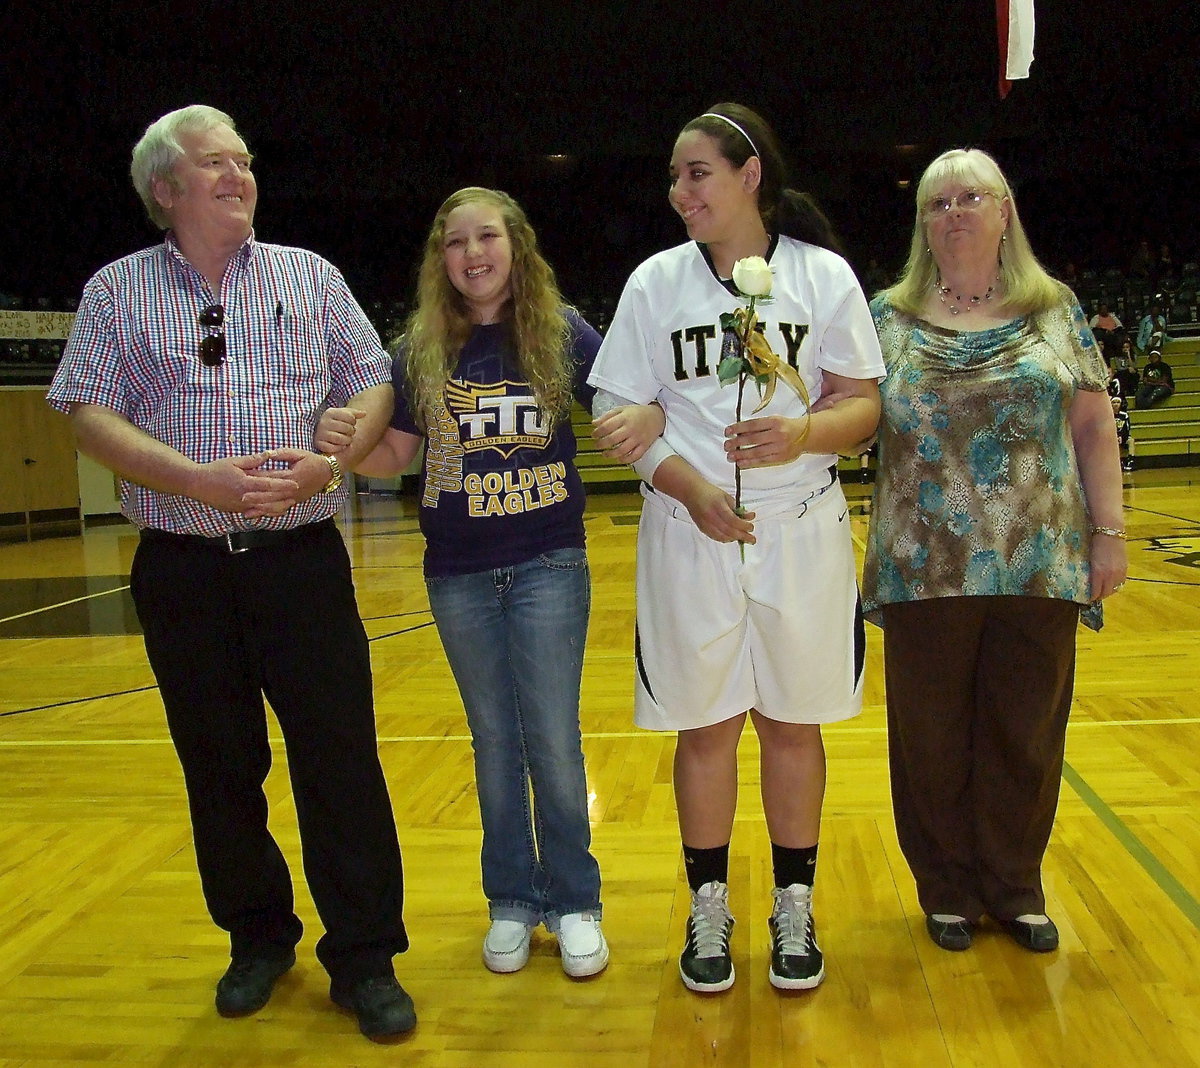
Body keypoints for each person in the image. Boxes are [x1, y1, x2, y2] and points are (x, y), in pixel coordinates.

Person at [45, 105, 414, 1040]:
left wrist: (336, 462)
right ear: (164, 190)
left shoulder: (309, 275)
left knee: (341, 762)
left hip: (302, 566)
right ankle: (257, 937)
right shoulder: (116, 292)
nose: (239, 176)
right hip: (184, 570)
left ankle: (365, 957)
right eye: (215, 164)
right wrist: (196, 482)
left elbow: (371, 379)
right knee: (220, 768)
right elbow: (88, 414)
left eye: (245, 161)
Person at [315, 187, 661, 980]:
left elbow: (626, 400)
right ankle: (510, 899)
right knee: (495, 743)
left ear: (516, 245)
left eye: (488, 237)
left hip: (549, 562)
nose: (473, 253)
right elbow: (393, 457)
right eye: (456, 242)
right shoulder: (418, 347)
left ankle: (575, 900)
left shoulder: (561, 330)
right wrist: (336, 435)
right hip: (458, 574)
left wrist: (651, 417)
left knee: (553, 739)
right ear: (441, 259)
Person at [588, 103, 884, 994]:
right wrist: (690, 485)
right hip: (689, 533)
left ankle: (794, 905)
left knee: (792, 723)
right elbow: (620, 416)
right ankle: (707, 904)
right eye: (676, 177)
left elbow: (864, 413)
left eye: (696, 174)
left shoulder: (823, 276)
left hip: (801, 530)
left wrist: (803, 435)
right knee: (706, 727)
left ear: (749, 175)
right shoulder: (654, 284)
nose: (679, 192)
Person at [861, 148, 1128, 956]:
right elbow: (847, 419)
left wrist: (1107, 535)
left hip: (1040, 562)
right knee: (931, 738)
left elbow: (1090, 428)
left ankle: (1014, 886)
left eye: (970, 197)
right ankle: (946, 888)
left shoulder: (1055, 310)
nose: (953, 213)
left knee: (1025, 731)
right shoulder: (887, 317)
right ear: (922, 225)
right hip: (922, 566)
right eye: (937, 203)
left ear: (1005, 210)